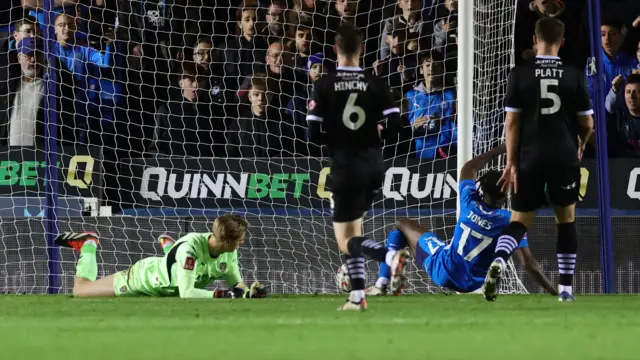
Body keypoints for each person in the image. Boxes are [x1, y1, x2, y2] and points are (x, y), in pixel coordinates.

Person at [484, 17, 594, 302]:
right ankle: (566, 291)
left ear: (535, 40)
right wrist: (580, 143)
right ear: (562, 42)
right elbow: (588, 123)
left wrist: (510, 161)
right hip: (564, 155)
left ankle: (498, 260)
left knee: (520, 220)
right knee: (566, 220)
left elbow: (511, 122)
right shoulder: (573, 74)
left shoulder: (519, 73)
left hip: (529, 158)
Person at [366, 145, 557, 296]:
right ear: (504, 195)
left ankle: (382, 282)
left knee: (401, 225)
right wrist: (553, 291)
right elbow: (527, 263)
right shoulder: (510, 221)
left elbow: (469, 167)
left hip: (444, 268)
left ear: (481, 188)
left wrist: (504, 148)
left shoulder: (469, 202)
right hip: (474, 282)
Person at [306, 23, 405, 311]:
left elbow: (312, 135)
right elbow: (397, 125)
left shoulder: (324, 84)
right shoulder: (375, 82)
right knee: (355, 231)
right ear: (361, 50)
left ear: (335, 50)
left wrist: (335, 140)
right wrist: (377, 136)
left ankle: (390, 257)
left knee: (345, 240)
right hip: (374, 165)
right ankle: (358, 297)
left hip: (345, 165)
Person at [55, 214, 268, 299]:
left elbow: (235, 283)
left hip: (171, 275)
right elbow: (186, 293)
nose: (243, 242)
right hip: (145, 279)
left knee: (182, 267)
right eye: (240, 238)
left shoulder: (229, 252)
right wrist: (218, 296)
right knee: (81, 290)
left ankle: (169, 248)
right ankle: (89, 244)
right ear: (227, 240)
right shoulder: (191, 249)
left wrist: (250, 292)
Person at [0, 37, 48, 147]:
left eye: (38, 55)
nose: (33, 60)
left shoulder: (51, 88)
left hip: (39, 156)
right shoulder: (8, 86)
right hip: (9, 155)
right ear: (19, 58)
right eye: (29, 55)